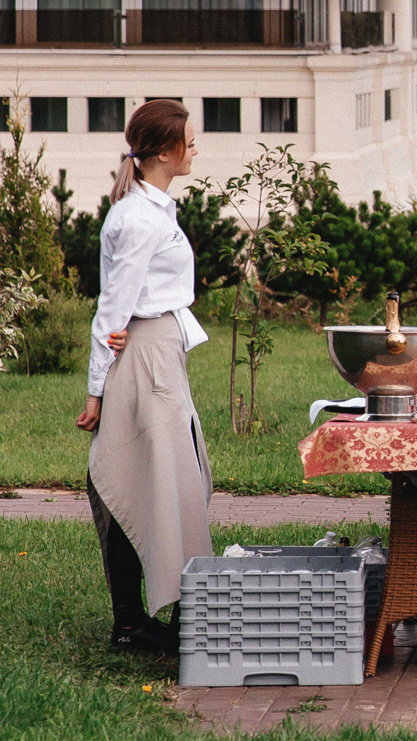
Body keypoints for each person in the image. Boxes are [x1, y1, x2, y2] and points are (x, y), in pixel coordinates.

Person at [78, 99, 213, 654]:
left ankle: (164, 612)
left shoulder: (154, 209)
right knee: (136, 480)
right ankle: (130, 623)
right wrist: (95, 389)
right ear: (163, 151)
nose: (194, 147)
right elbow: (114, 308)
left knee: (173, 480)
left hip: (160, 350)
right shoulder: (136, 218)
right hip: (144, 358)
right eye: (188, 139)